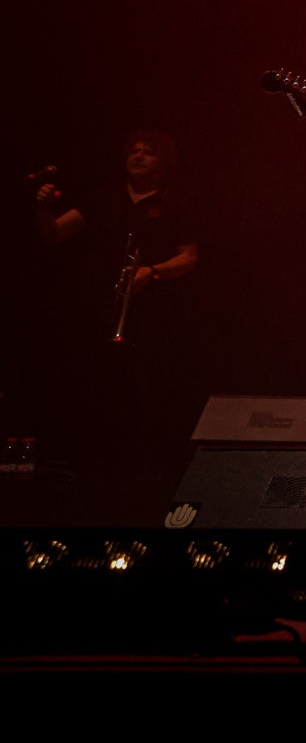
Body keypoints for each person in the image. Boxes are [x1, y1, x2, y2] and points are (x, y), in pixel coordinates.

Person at [35, 129, 202, 514]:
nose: (138, 157)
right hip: (93, 309)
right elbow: (53, 233)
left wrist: (152, 273)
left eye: (149, 153)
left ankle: (143, 474)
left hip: (151, 317)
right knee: (89, 387)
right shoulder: (102, 199)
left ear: (164, 163)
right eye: (134, 151)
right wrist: (42, 208)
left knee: (144, 392)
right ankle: (90, 471)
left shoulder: (175, 204)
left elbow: (189, 257)